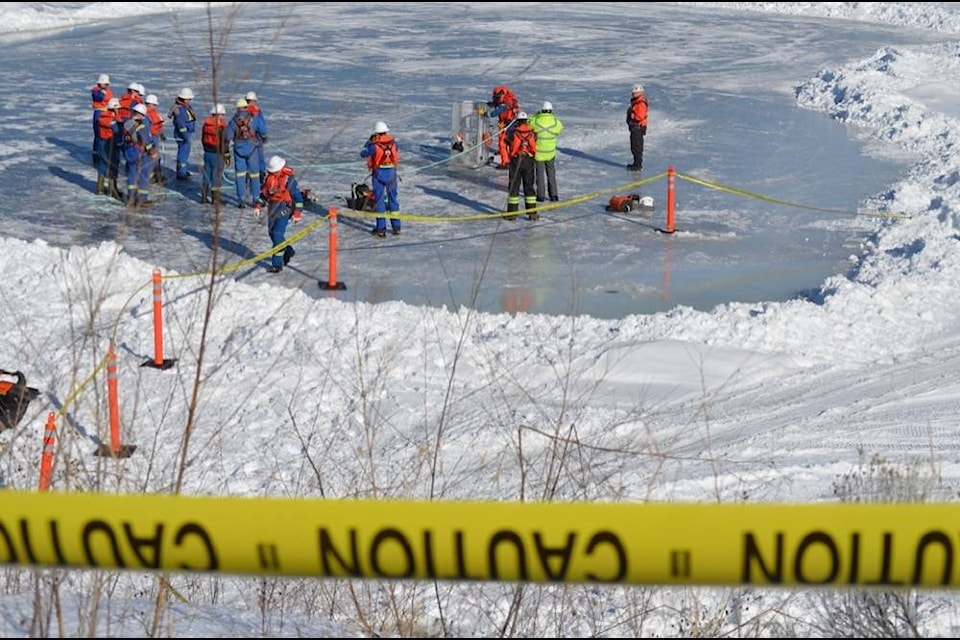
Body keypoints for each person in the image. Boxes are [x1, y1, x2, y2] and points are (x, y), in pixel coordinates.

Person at [256, 155, 304, 273]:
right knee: (272, 233)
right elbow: (264, 195)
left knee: (277, 234)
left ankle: (277, 264)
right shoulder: (269, 179)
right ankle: (287, 250)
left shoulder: (289, 180)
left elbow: (298, 198)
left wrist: (297, 213)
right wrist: (258, 206)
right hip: (272, 208)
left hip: (284, 208)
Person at [360, 120, 401, 237]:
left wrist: (368, 142)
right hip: (392, 173)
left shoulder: (373, 146)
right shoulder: (394, 143)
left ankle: (381, 229)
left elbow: (363, 153)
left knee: (380, 201)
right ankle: (397, 227)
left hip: (379, 174)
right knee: (393, 200)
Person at [225, 98, 267, 208]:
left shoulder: (233, 121)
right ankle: (255, 199)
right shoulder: (254, 118)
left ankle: (241, 200)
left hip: (238, 151)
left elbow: (228, 136)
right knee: (254, 175)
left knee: (240, 175)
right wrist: (264, 137)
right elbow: (263, 130)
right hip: (252, 150)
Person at [121, 102, 157, 208]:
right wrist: (152, 151)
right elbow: (145, 140)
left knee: (132, 174)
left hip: (130, 151)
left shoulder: (128, 123)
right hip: (139, 152)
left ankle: (131, 198)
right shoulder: (142, 125)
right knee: (143, 174)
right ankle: (142, 198)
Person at [505, 111, 538, 221]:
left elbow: (508, 142)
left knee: (514, 186)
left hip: (516, 160)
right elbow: (534, 146)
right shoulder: (532, 132)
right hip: (528, 160)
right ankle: (532, 213)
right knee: (529, 186)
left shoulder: (514, 132)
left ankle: (512, 213)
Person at [529, 100, 564, 202]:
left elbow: (529, 122)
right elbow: (560, 128)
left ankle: (540, 196)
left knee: (539, 174)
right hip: (550, 152)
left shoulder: (536, 121)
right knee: (551, 174)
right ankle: (554, 195)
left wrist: (536, 114)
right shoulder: (554, 121)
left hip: (539, 152)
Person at [200, 103, 230, 204]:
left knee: (207, 174)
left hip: (207, 152)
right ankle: (215, 199)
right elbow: (224, 141)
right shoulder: (222, 125)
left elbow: (203, 138)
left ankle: (204, 197)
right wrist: (226, 154)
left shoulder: (206, 124)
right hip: (217, 154)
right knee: (216, 176)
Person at [486, 85, 520, 169]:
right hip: (507, 123)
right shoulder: (509, 100)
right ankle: (506, 156)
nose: (496, 99)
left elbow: (495, 113)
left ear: (502, 94)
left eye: (497, 97)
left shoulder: (505, 104)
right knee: (507, 141)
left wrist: (485, 113)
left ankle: (506, 162)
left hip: (508, 125)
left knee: (503, 143)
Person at [94, 97, 123, 198]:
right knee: (113, 165)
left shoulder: (102, 117)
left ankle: (100, 188)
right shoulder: (112, 120)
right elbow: (117, 132)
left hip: (103, 143)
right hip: (111, 144)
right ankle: (112, 189)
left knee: (103, 164)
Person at [169, 87, 197, 179]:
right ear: (184, 99)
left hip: (186, 134)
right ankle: (181, 173)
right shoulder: (181, 110)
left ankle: (182, 171)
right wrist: (185, 136)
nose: (190, 100)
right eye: (189, 99)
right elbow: (181, 124)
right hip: (183, 135)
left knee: (184, 152)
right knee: (183, 154)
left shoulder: (185, 108)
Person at [244, 91, 268, 180]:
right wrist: (264, 136)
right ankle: (260, 174)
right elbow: (261, 125)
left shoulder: (241, 111)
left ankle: (246, 174)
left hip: (244, 139)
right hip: (256, 138)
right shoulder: (257, 112)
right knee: (259, 156)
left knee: (245, 156)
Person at [90, 73, 113, 166]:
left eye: (107, 84)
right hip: (99, 113)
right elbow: (99, 97)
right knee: (99, 136)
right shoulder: (96, 92)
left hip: (107, 113)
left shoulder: (108, 91)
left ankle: (105, 156)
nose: (106, 86)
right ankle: (97, 158)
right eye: (105, 84)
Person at [144, 94, 166, 184]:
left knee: (156, 156)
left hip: (155, 135)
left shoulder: (154, 112)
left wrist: (161, 132)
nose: (155, 106)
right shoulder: (146, 114)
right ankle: (150, 175)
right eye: (154, 104)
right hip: (151, 137)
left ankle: (156, 173)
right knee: (151, 156)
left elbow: (158, 123)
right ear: (149, 104)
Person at [626, 83, 648, 172]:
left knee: (637, 147)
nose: (633, 94)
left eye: (634, 93)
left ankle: (638, 165)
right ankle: (636, 163)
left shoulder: (640, 103)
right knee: (634, 146)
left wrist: (632, 115)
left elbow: (640, 116)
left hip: (638, 128)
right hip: (635, 128)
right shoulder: (636, 102)